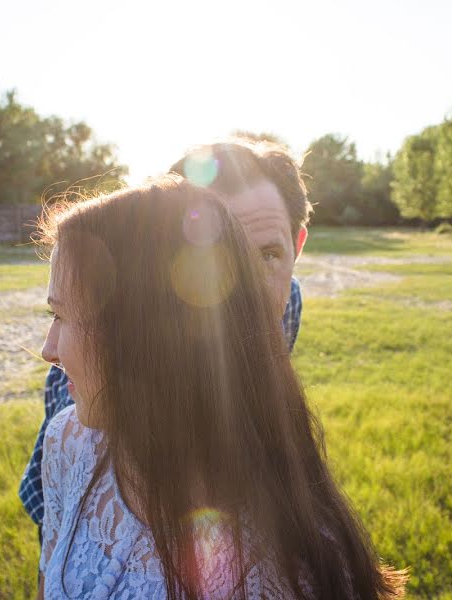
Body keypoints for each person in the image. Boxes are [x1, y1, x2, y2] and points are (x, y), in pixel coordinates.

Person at [36, 176, 405, 599]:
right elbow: (47, 576)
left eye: (62, 317)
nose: (48, 350)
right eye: (52, 314)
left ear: (146, 334)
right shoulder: (68, 443)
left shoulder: (280, 568)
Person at [19, 139, 309, 546]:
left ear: (296, 246)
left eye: (266, 256)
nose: (245, 292)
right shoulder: (95, 364)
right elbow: (67, 505)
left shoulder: (287, 303)